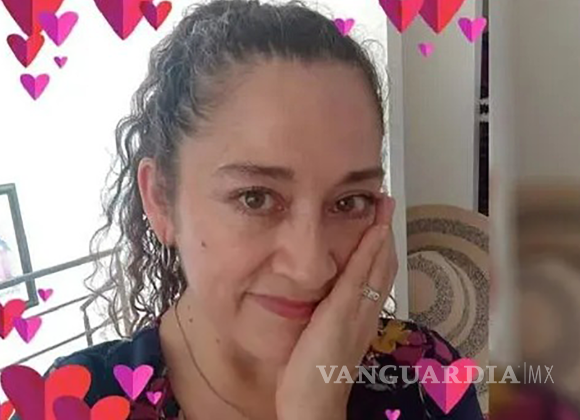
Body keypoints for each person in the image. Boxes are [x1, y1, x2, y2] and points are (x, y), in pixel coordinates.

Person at [10, 0, 485, 419]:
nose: (310, 268)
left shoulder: (426, 378)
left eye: (349, 202)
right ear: (160, 200)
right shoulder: (74, 401)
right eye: (255, 198)